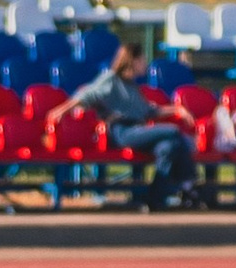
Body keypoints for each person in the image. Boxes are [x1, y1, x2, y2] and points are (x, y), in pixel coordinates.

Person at [48, 43, 199, 209]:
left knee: (169, 147)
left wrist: (177, 109)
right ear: (132, 60)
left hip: (139, 130)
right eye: (142, 60)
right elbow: (87, 94)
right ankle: (188, 186)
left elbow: (148, 111)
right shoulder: (111, 79)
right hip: (122, 131)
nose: (145, 63)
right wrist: (61, 110)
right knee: (173, 132)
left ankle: (154, 199)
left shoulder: (132, 86)